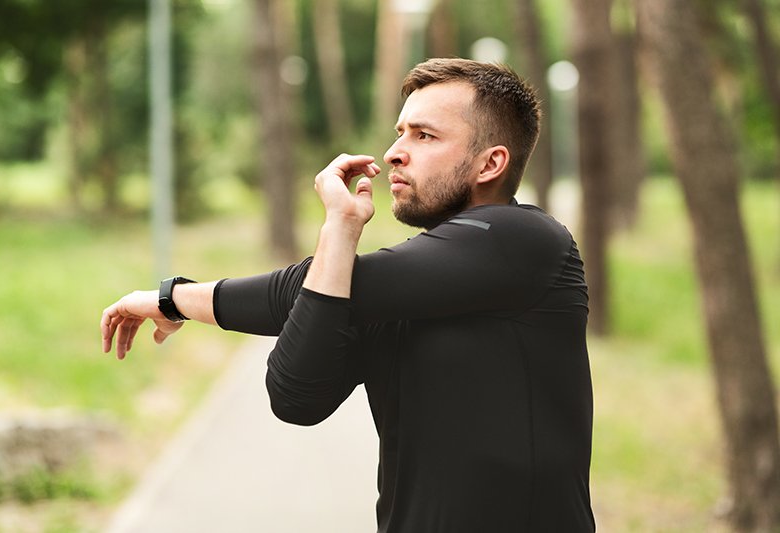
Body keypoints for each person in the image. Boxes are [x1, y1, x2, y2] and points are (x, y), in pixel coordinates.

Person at [101, 58, 595, 532]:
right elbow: (295, 396)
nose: (394, 152)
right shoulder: (407, 289)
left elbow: (308, 286)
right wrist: (339, 231)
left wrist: (173, 299)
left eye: (425, 135)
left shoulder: (525, 240)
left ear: (490, 163)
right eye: (400, 132)